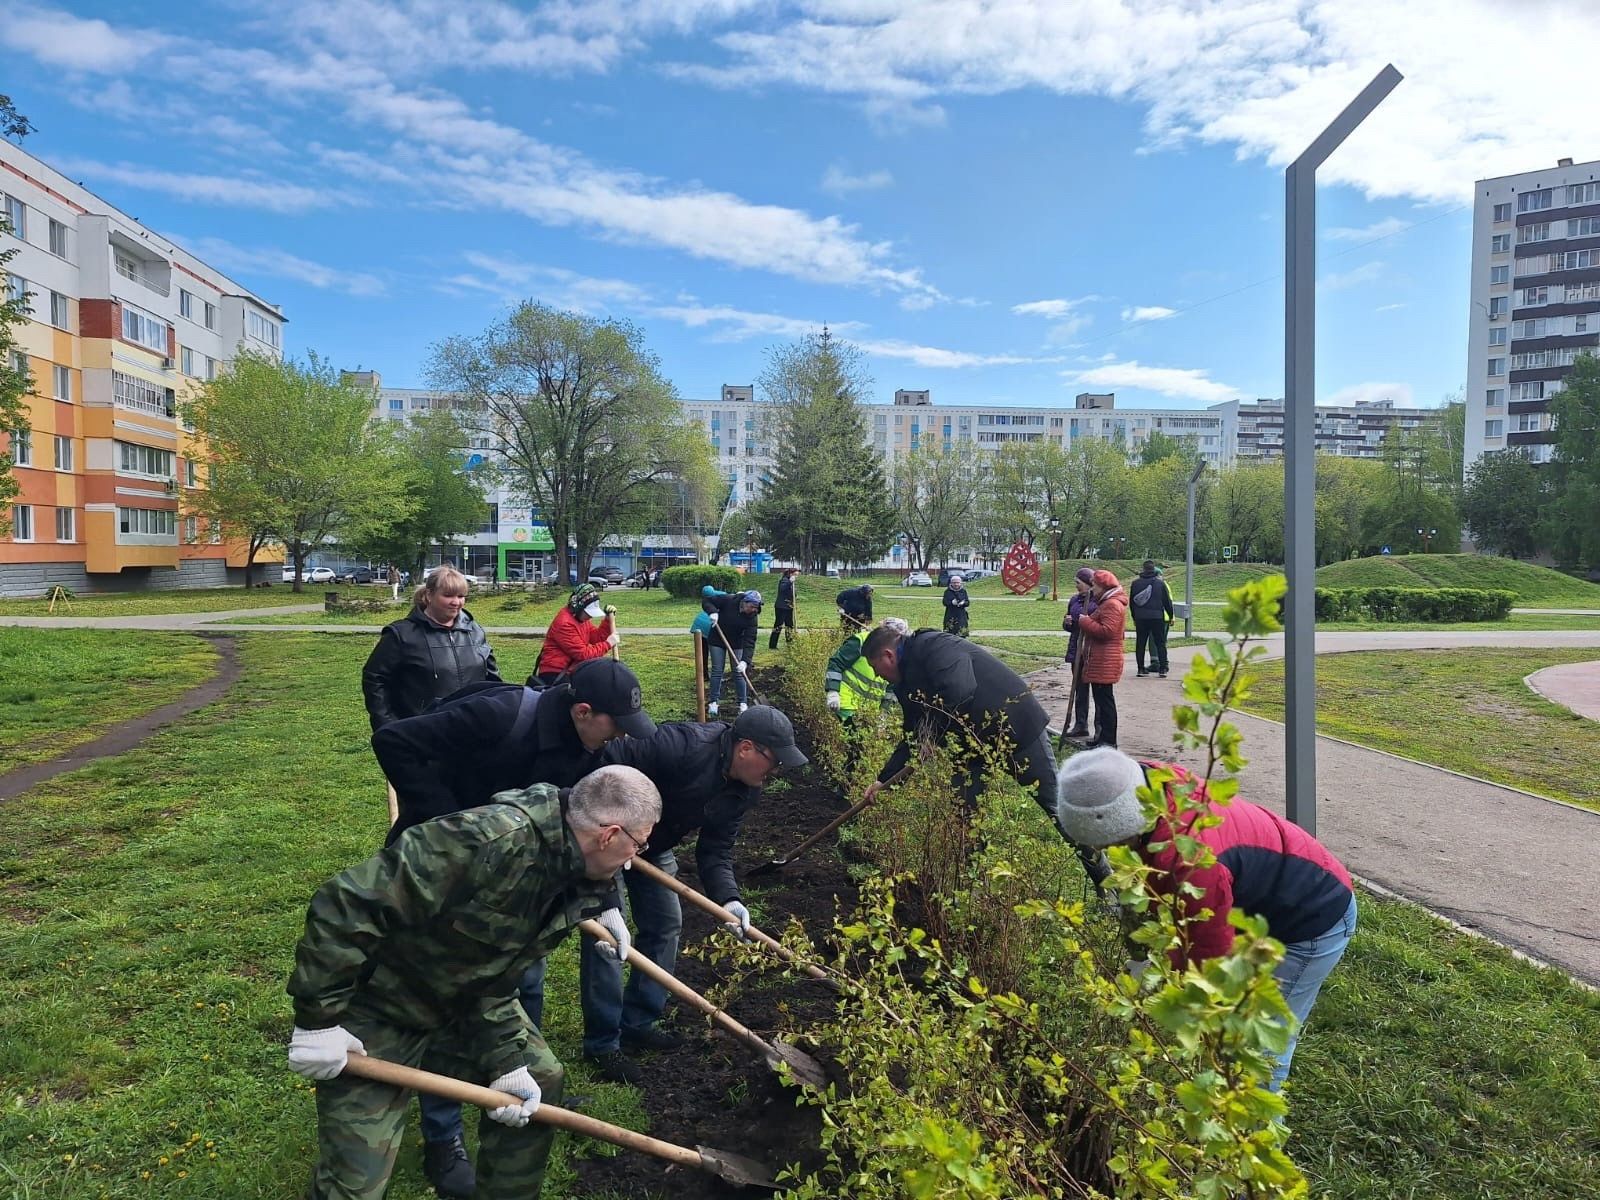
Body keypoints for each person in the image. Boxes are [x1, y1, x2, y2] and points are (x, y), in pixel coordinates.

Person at [285, 765, 662, 1200]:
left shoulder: (574, 870)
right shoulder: (483, 842)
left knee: (539, 1081)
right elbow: (345, 902)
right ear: (608, 835)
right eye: (639, 843)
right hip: (377, 1014)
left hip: (461, 1005)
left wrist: (505, 1062)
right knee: (356, 1187)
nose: (635, 858)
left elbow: (496, 973)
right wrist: (317, 1022)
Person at [1055, 748, 1357, 1092]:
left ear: (1124, 824)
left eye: (1109, 843)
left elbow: (1207, 959)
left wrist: (1165, 983)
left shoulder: (1193, 865)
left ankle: (1253, 1136)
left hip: (1313, 918)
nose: (1110, 851)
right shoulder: (1152, 785)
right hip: (1265, 896)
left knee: (1261, 1046)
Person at [585, 706, 808, 1082]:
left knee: (666, 923)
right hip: (611, 837)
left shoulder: (744, 790)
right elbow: (607, 763)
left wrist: (729, 899)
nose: (775, 773)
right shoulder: (681, 746)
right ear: (746, 749)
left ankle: (638, 1022)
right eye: (773, 762)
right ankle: (604, 1045)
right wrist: (613, 828)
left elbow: (715, 849)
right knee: (609, 936)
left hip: (654, 847)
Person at [374, 659, 655, 844]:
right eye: (617, 724)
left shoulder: (590, 748)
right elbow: (393, 741)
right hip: (431, 849)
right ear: (583, 712)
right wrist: (450, 819)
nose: (622, 734)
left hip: (493, 868)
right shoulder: (499, 716)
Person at [361, 566, 500, 733]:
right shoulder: (401, 635)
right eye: (448, 595)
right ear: (429, 595)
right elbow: (375, 680)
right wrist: (388, 726)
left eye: (461, 596)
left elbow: (493, 681)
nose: (456, 602)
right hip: (422, 734)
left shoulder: (474, 631)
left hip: (471, 732)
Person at [1066, 568, 1127, 749]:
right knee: (1101, 699)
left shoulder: (1112, 605)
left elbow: (1107, 631)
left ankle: (1108, 740)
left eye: (1095, 586)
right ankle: (1103, 739)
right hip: (1100, 659)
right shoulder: (1106, 603)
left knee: (1105, 702)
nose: (1093, 590)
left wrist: (1084, 621)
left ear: (1103, 586)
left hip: (1105, 660)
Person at [532, 584, 617, 686]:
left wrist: (607, 621)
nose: (590, 616)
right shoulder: (564, 623)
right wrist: (608, 643)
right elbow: (583, 654)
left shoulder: (581, 619)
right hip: (554, 673)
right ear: (578, 607)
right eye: (589, 613)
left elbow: (596, 638)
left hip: (571, 670)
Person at [702, 587, 762, 716]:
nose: (753, 610)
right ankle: (713, 702)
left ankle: (743, 703)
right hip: (718, 639)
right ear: (744, 602)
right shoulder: (729, 600)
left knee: (739, 671)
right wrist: (712, 612)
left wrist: (745, 661)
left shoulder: (752, 618)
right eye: (751, 606)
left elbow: (750, 640)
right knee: (717, 670)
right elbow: (707, 601)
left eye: (756, 608)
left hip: (737, 644)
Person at [824, 622, 893, 724]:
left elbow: (892, 688)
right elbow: (837, 663)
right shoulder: (860, 641)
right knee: (850, 737)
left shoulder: (894, 654)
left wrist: (884, 712)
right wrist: (833, 691)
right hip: (846, 704)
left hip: (870, 711)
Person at [1060, 568, 1098, 742]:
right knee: (1079, 689)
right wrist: (1067, 622)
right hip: (1076, 647)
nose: (1076, 586)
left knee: (1098, 692)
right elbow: (1069, 623)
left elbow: (1098, 624)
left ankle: (1100, 729)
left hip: (1091, 650)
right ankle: (1080, 725)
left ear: (1088, 583)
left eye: (1078, 583)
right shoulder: (1075, 600)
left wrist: (1084, 622)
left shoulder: (1097, 600)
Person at [1130, 560, 1175, 678]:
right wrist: (1170, 616)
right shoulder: (1160, 584)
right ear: (1154, 569)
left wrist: (1134, 617)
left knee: (1140, 643)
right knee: (1160, 643)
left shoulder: (1135, 583)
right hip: (1157, 617)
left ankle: (1140, 669)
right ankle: (1163, 669)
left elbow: (1132, 603)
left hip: (1141, 617)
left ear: (1143, 569)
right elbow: (1167, 602)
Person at [769, 567, 799, 649]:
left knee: (789, 625)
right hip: (781, 607)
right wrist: (790, 581)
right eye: (795, 575)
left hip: (789, 607)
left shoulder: (791, 582)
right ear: (791, 574)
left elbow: (792, 593)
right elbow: (782, 588)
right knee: (778, 625)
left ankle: (790, 643)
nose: (796, 577)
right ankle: (772, 645)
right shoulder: (784, 580)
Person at [941, 573, 971, 637]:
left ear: (960, 583)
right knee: (950, 634)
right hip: (950, 615)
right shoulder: (947, 591)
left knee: (961, 634)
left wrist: (963, 603)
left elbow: (967, 602)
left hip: (961, 615)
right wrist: (952, 603)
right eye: (954, 582)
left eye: (957, 582)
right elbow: (944, 602)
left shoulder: (963, 591)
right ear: (951, 583)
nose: (956, 584)